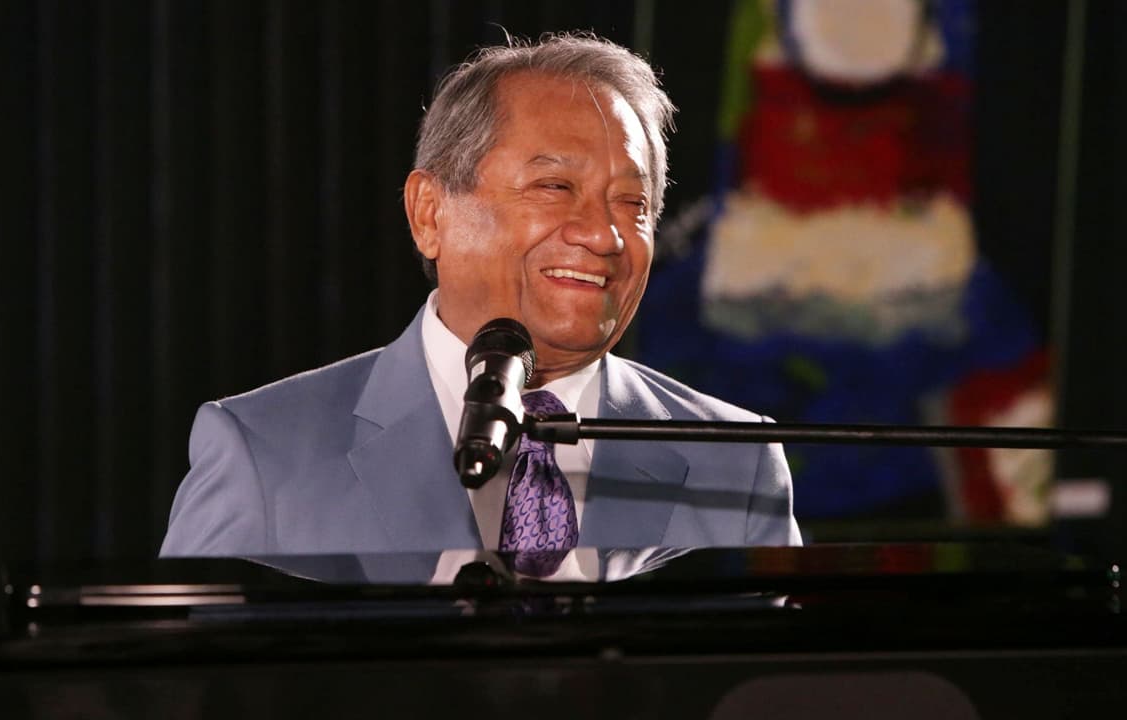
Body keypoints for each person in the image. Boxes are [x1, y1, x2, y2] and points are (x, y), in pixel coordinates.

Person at [160, 33, 801, 561]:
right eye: (554, 187)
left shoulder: (734, 461)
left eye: (632, 203)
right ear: (430, 213)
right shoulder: (265, 453)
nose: (604, 236)